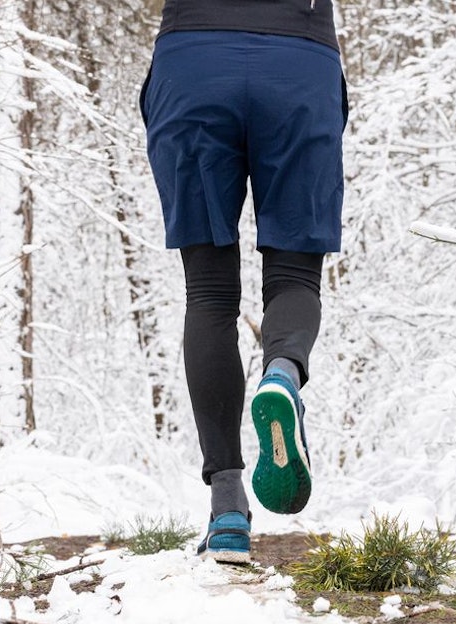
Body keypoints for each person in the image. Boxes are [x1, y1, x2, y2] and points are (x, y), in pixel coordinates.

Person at [139, 0, 347, 564]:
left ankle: (227, 508)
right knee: (294, 272)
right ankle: (282, 372)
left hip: (193, 62)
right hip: (300, 62)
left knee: (208, 291)